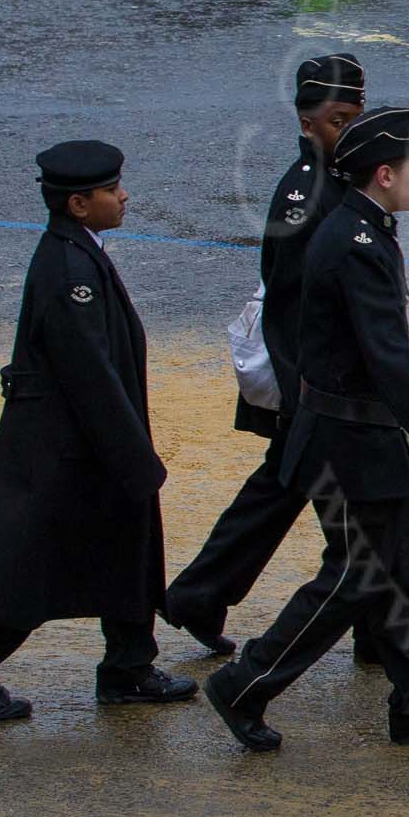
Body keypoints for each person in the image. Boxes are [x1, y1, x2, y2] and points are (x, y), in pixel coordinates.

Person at [203, 109, 409, 751]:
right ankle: (247, 682)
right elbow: (388, 362)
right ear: (385, 176)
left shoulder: (362, 229)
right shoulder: (356, 245)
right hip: (348, 445)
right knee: (356, 576)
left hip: (358, 439)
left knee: (404, 569)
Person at [0, 142, 196, 722]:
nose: (123, 196)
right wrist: (133, 456)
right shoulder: (71, 268)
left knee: (127, 548)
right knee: (36, 566)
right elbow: (90, 375)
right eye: (111, 189)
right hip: (68, 451)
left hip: (88, 445)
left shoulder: (77, 251)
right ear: (79, 204)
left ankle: (128, 666)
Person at [164, 54, 378, 661]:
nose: (349, 130)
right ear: (308, 122)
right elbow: (287, 302)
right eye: (339, 120)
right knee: (345, 505)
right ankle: (378, 626)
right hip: (313, 382)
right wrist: (300, 394)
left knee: (283, 489)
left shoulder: (336, 179)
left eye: (356, 118)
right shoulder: (305, 192)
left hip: (322, 382)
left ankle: (198, 595)